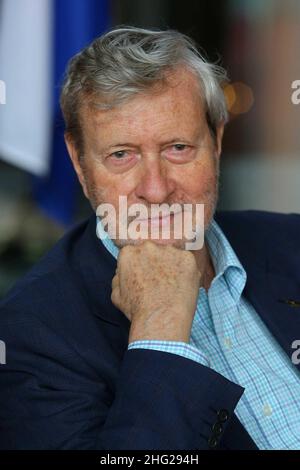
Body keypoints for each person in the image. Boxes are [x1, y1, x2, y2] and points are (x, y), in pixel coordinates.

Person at [0, 26, 300, 451]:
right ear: (80, 164)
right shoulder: (29, 338)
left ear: (215, 141)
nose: (156, 190)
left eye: (178, 147)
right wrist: (159, 331)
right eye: (121, 155)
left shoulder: (291, 242)